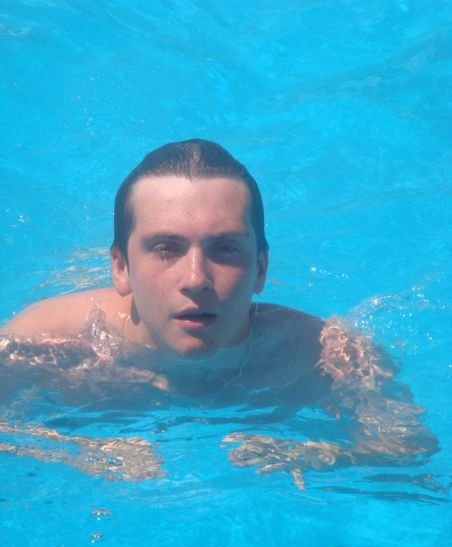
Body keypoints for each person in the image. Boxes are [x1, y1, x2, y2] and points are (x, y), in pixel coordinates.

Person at [0, 139, 439, 489]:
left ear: (261, 269)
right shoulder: (46, 344)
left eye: (225, 249)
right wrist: (80, 452)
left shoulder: (324, 355)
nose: (196, 278)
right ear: (120, 267)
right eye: (166, 248)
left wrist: (320, 457)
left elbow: (411, 452)